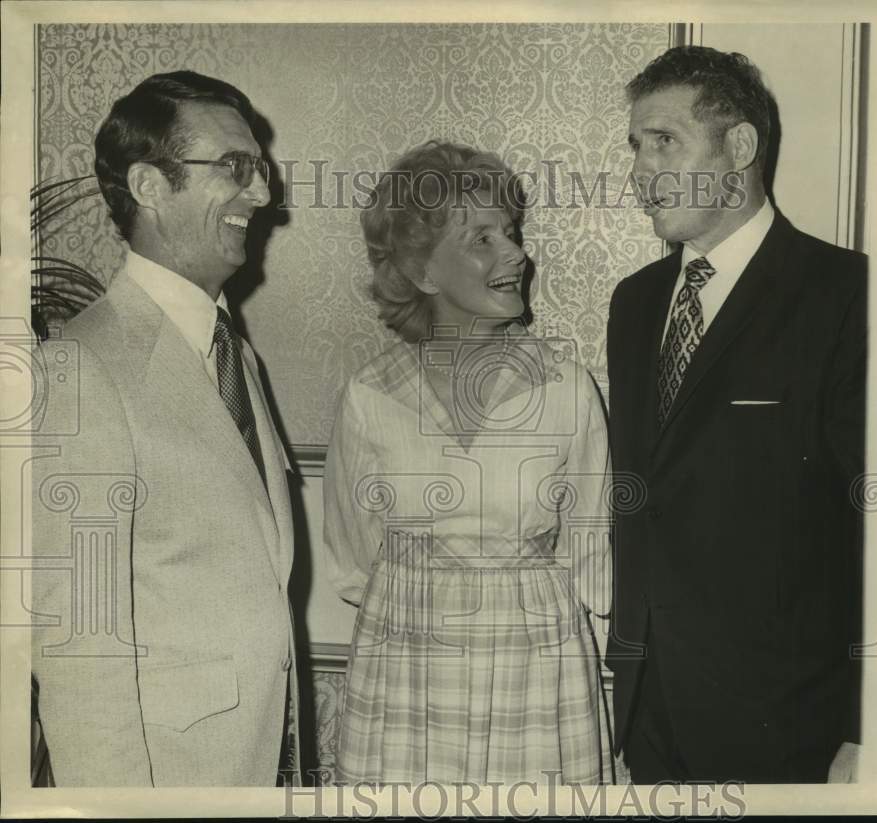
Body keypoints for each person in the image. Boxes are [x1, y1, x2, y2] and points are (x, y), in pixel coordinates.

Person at [605, 46, 866, 784]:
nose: (639, 172)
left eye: (664, 142)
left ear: (740, 148)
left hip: (791, 726)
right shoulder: (633, 303)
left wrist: (864, 725)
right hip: (650, 717)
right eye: (635, 146)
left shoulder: (846, 293)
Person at [31, 71, 300, 786]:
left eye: (261, 169)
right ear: (149, 185)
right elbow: (79, 647)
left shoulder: (236, 353)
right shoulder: (80, 367)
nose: (263, 193)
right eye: (235, 168)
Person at [323, 141, 612, 784]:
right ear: (424, 271)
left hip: (535, 664)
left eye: (510, 233)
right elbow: (352, 554)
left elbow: (592, 544)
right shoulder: (371, 394)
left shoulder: (564, 385)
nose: (516, 254)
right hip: (405, 669)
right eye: (482, 238)